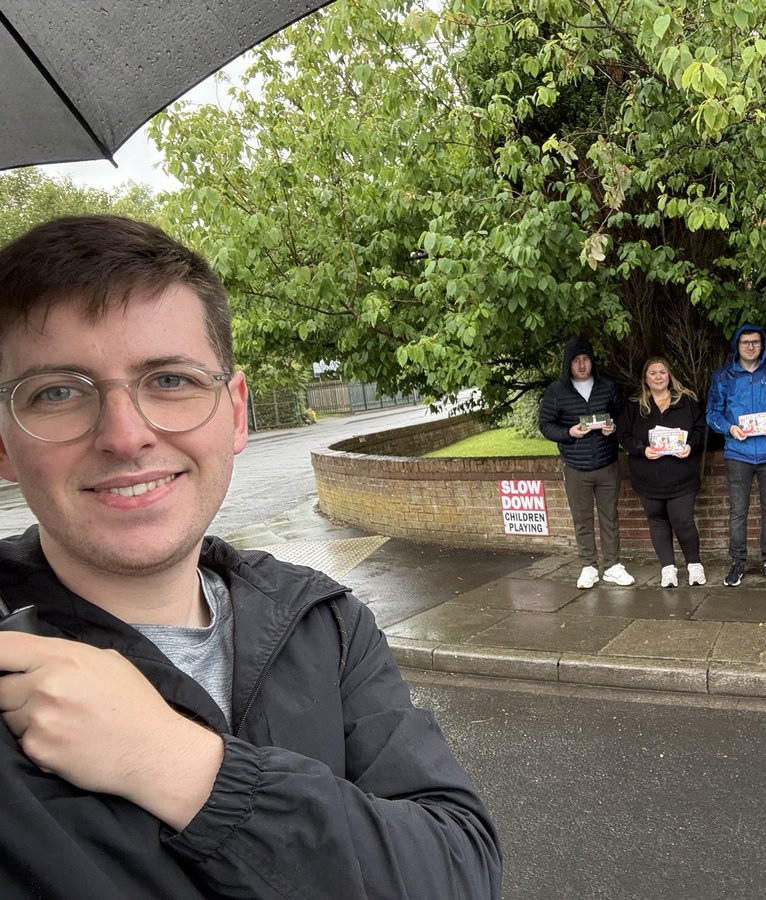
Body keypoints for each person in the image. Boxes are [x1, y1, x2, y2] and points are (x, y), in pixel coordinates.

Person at [0, 216, 501, 898]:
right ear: (3, 442)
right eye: (58, 393)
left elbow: (457, 872)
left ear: (235, 413)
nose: (125, 436)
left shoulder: (322, 623)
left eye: (170, 380)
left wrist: (175, 764)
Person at [539, 336, 635, 589]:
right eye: (576, 361)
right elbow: (546, 425)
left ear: (592, 361)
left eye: (586, 359)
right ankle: (588, 566)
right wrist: (568, 433)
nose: (582, 365)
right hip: (575, 466)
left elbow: (621, 416)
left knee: (609, 517)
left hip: (606, 462)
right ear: (568, 364)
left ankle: (613, 565)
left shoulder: (607, 386)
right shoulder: (556, 391)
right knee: (581, 519)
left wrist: (612, 428)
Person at [706, 324, 766, 587]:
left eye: (755, 342)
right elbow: (712, 412)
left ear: (762, 344)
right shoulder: (724, 376)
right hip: (738, 452)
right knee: (738, 512)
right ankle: (738, 563)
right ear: (737, 345)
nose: (750, 346)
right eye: (745, 342)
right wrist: (729, 428)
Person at [618, 357, 706, 588]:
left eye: (662, 372)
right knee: (657, 522)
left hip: (681, 475)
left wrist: (691, 445)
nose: (658, 377)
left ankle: (694, 566)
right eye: (653, 373)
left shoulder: (685, 401)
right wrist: (642, 450)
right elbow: (623, 436)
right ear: (645, 379)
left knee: (682, 520)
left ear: (669, 375)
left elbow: (700, 429)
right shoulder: (634, 405)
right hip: (648, 477)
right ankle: (668, 569)